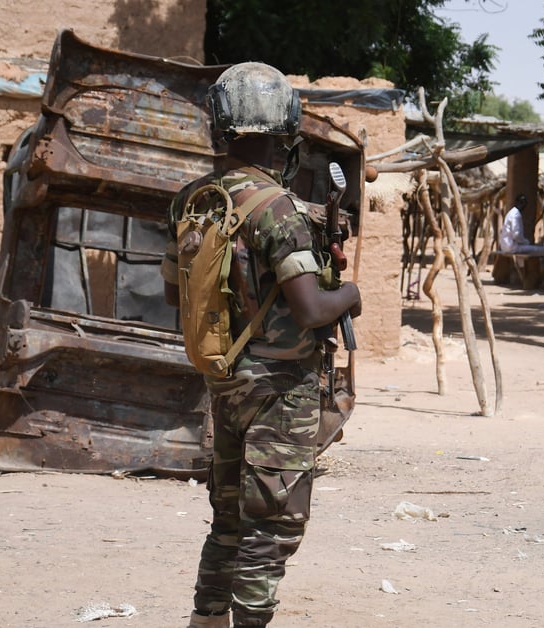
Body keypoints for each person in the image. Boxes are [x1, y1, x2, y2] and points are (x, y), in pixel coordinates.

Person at [164, 63, 362, 628]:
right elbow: (311, 309)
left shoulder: (190, 203)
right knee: (272, 525)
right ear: (284, 134)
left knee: (228, 519)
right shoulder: (277, 208)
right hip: (280, 391)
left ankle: (206, 620)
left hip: (225, 379)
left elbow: (170, 289)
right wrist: (349, 292)